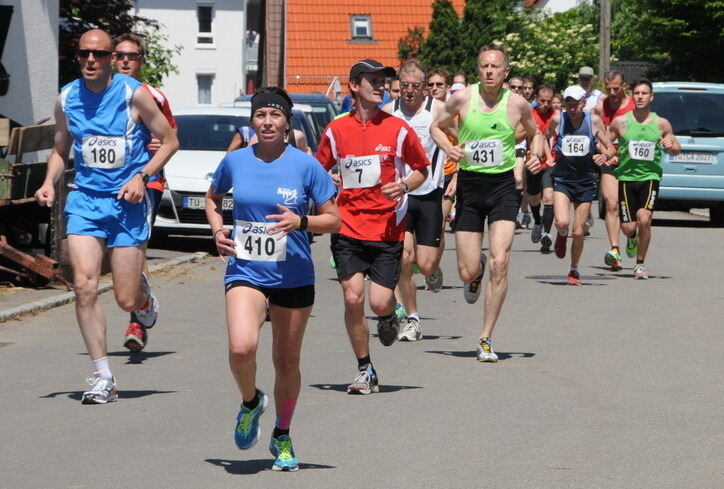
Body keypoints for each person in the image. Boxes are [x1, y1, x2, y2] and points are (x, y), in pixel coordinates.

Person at [34, 29, 178, 403]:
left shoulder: (133, 94)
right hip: (85, 200)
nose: (90, 61)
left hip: (128, 202)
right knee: (83, 285)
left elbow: (171, 140)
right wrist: (49, 181)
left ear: (112, 58)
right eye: (84, 55)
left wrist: (142, 176)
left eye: (98, 55)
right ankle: (102, 377)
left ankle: (144, 302)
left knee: (125, 298)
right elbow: (60, 148)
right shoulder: (67, 98)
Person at [205, 87, 340, 471]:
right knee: (241, 347)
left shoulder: (305, 166)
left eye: (275, 115)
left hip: (294, 274)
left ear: (286, 123)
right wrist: (217, 232)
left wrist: (301, 221)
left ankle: (282, 433)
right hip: (246, 269)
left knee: (286, 362)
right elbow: (213, 198)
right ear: (252, 122)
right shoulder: (235, 162)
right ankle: (250, 401)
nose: (267, 122)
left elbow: (335, 219)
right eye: (260, 115)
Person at [316, 59, 429, 393]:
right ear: (354, 85)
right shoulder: (335, 130)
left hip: (386, 229)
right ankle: (365, 369)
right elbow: (316, 169)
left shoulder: (397, 129)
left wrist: (405, 185)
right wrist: (328, 177)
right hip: (348, 227)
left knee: (379, 302)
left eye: (384, 82)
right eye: (374, 81)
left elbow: (422, 167)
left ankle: (388, 316)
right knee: (353, 299)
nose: (381, 86)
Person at [431, 44, 544, 362]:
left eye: (495, 66)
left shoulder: (518, 103)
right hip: (470, 186)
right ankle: (475, 275)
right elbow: (436, 126)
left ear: (505, 71)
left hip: (503, 188)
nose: (490, 71)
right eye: (484, 66)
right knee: (468, 270)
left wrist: (535, 155)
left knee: (500, 261)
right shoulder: (462, 98)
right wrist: (449, 148)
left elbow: (536, 133)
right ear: (478, 70)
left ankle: (486, 338)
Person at [112, 33, 178, 353]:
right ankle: (142, 302)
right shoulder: (97, 95)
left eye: (132, 56)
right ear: (112, 59)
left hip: (144, 184)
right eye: (120, 55)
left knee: (135, 248)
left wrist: (156, 146)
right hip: (104, 187)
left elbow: (171, 138)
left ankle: (137, 319)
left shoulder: (154, 96)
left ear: (140, 62)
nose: (125, 60)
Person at [382, 59, 446, 341]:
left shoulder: (438, 110)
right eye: (404, 86)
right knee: (404, 258)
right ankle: (412, 318)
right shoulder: (388, 113)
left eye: (415, 86)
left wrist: (456, 171)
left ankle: (433, 269)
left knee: (427, 263)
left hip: (430, 192)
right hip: (400, 196)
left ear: (425, 89)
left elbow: (461, 138)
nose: (409, 91)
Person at [608, 78, 680, 279]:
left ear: (651, 97)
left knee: (645, 219)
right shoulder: (621, 121)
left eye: (644, 93)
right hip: (626, 177)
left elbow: (676, 149)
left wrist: (670, 144)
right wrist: (608, 153)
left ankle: (640, 264)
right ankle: (631, 238)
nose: (640, 97)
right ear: (632, 96)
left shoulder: (661, 123)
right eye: (637, 93)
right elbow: (606, 141)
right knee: (628, 227)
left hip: (650, 177)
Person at [544, 85, 614, 285]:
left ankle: (574, 269)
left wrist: (604, 155)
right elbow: (543, 136)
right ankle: (561, 234)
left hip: (585, 181)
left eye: (576, 103)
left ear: (584, 103)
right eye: (569, 103)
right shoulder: (559, 119)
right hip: (563, 179)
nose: (573, 107)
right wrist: (548, 156)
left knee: (578, 231)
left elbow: (610, 148)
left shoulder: (593, 122)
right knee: (563, 222)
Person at [593, 71, 635, 271]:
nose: (612, 92)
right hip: (610, 161)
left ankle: (632, 236)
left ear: (624, 86)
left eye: (616, 88)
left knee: (631, 211)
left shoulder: (634, 105)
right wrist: (607, 153)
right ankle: (615, 251)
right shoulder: (601, 107)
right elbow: (599, 135)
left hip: (631, 162)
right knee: (611, 204)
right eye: (608, 88)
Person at [526, 85, 558, 250]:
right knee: (534, 197)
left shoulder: (556, 115)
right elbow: (540, 137)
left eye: (549, 101)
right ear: (535, 99)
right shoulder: (530, 115)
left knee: (548, 197)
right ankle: (537, 222)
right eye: (542, 101)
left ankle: (547, 233)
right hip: (533, 162)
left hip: (550, 164)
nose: (545, 104)